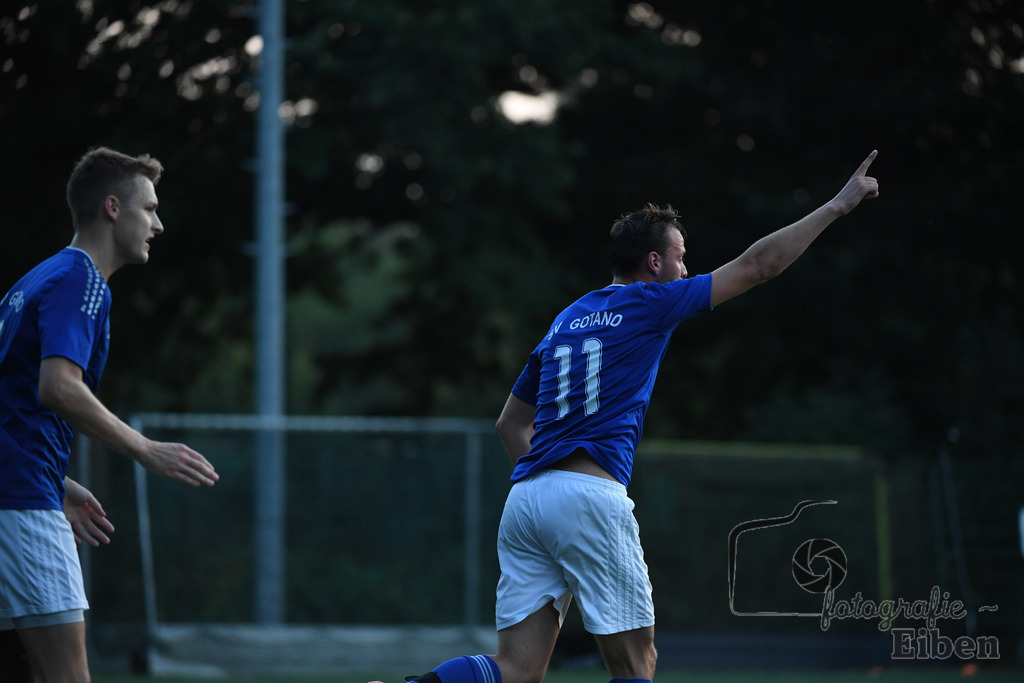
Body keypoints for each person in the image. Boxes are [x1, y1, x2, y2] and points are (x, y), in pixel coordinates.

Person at [405, 151, 879, 683]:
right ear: (654, 265)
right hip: (586, 500)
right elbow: (758, 267)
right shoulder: (652, 302)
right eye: (681, 258)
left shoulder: (568, 318)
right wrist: (837, 206)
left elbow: (509, 424)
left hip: (526, 501)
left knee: (515, 670)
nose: (686, 269)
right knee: (636, 664)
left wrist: (550, 487)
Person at [0, 147, 220, 683]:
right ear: (114, 208)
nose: (159, 224)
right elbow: (59, 388)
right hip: (21, 507)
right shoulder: (82, 281)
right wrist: (144, 449)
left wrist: (61, 483)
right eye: (150, 209)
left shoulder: (32, 280)